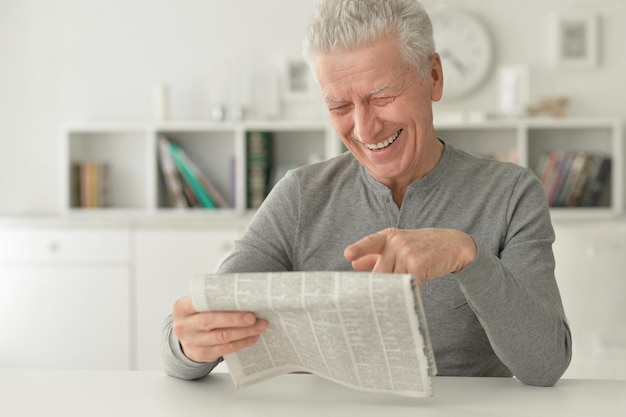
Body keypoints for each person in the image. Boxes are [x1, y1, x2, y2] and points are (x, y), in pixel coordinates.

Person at [162, 0, 572, 386]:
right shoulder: (300, 196)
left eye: (382, 97)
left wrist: (467, 255)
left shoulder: (511, 193)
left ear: (433, 76)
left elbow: (546, 364)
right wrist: (189, 344)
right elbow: (181, 347)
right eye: (340, 106)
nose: (364, 128)